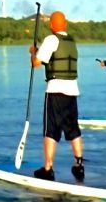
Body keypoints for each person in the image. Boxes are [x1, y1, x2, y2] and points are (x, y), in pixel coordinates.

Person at [29, 10, 84, 182]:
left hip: (55, 91)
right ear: (65, 24)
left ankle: (48, 168)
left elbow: (36, 63)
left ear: (52, 25)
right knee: (73, 129)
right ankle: (79, 165)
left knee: (50, 130)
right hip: (72, 91)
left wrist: (33, 52)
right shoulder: (71, 41)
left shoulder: (51, 39)